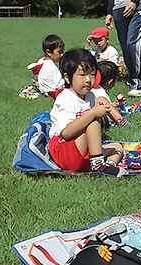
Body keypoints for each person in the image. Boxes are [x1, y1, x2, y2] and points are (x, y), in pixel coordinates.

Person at [48, 48, 125, 177]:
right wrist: (93, 113)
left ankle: (107, 166)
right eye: (82, 75)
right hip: (63, 151)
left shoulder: (90, 96)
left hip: (82, 152)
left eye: (92, 74)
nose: (88, 80)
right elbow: (66, 133)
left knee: (117, 147)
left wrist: (111, 107)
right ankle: (99, 165)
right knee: (93, 119)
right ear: (67, 78)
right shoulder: (65, 97)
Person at [105, 0, 141, 97]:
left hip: (137, 5)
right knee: (125, 46)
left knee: (133, 44)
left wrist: (134, 1)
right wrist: (109, 11)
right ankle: (132, 77)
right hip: (118, 7)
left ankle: (139, 84)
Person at [93, 60, 135, 127]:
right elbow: (108, 112)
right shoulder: (101, 93)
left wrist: (115, 104)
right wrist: (116, 110)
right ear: (110, 81)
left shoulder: (94, 88)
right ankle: (124, 123)